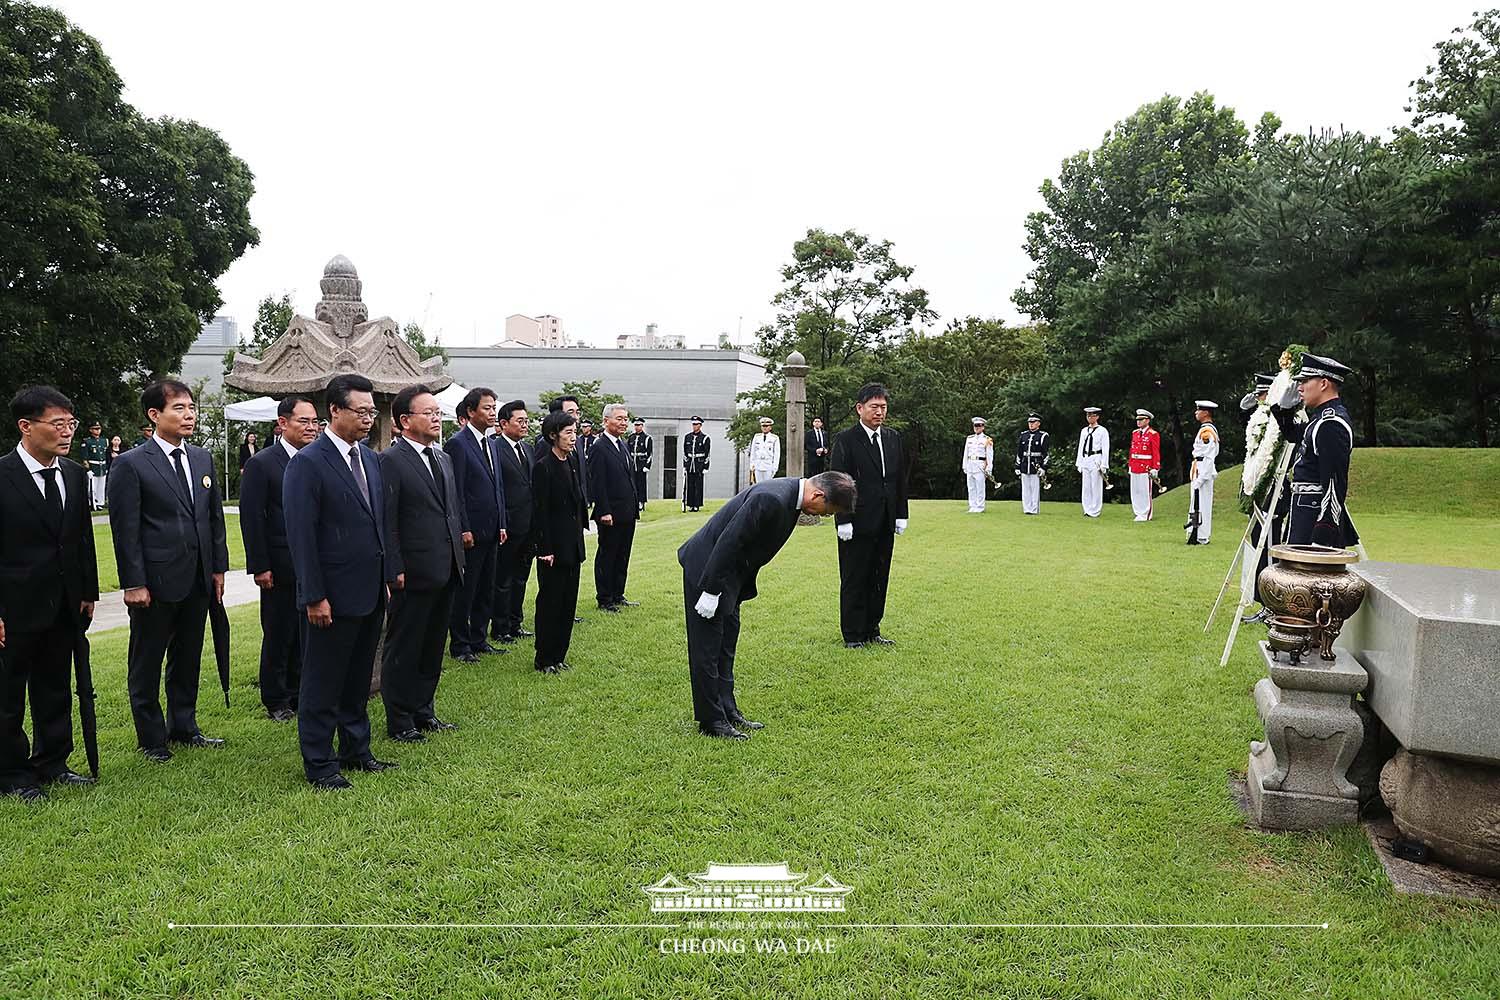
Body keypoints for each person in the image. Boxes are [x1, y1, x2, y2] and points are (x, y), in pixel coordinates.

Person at [282, 373, 397, 791]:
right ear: (335, 410)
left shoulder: (369, 458)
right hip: (329, 595)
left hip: (368, 590)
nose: (369, 418)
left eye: (372, 411)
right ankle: (320, 763)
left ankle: (356, 750)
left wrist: (385, 576)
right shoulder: (308, 464)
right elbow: (301, 536)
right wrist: (314, 595)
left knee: (357, 678)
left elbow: (378, 523)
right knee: (322, 681)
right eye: (361, 411)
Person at [680, 472, 856, 739]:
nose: (824, 516)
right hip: (708, 571)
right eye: (828, 511)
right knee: (707, 650)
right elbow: (730, 541)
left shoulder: (791, 497)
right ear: (818, 495)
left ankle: (727, 709)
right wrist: (711, 590)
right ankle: (711, 721)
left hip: (729, 577)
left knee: (726, 646)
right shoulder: (771, 498)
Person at [107, 379, 228, 762]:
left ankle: (184, 726)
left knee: (188, 654)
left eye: (191, 407)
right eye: (179, 408)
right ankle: (151, 738)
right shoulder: (131, 464)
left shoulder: (201, 458)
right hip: (155, 581)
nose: (189, 415)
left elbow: (213, 519)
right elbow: (125, 530)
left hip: (197, 575)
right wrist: (134, 582)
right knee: (147, 659)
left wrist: (218, 568)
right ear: (154, 415)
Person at [0, 386, 100, 801]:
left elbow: (81, 540)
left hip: (63, 603)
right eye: (57, 424)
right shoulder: (2, 475)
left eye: (70, 423)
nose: (67, 432)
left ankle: (53, 761)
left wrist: (88, 592)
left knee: (55, 685)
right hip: (15, 606)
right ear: (26, 427)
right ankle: (12, 773)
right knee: (8, 695)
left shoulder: (74, 474)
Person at [380, 385, 467, 744]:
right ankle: (400, 719)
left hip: (445, 568)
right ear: (404, 421)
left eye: (438, 412)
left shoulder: (442, 458)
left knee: (433, 645)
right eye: (428, 413)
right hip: (412, 573)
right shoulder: (391, 461)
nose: (437, 418)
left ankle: (423, 711)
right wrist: (394, 567)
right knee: (405, 646)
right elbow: (389, 522)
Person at [240, 396, 318, 722]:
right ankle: (276, 698)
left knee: (305, 632)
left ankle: (300, 692)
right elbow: (252, 517)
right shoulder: (263, 463)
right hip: (279, 564)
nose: (311, 428)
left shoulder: (316, 460)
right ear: (282, 424)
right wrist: (261, 566)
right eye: (304, 421)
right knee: (278, 631)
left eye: (315, 421)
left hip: (310, 564)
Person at [831, 383, 908, 648]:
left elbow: (899, 479)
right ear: (859, 408)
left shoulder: (892, 438)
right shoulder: (846, 439)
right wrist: (843, 519)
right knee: (855, 576)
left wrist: (901, 513)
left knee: (879, 575)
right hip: (857, 520)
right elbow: (839, 483)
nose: (879, 412)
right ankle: (852, 634)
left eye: (883, 407)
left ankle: (872, 628)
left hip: (885, 519)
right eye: (874, 407)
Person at [443, 387, 505, 664]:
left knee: (486, 588)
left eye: (494, 407)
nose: (492, 412)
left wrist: (502, 522)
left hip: (493, 529)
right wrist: (463, 528)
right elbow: (456, 490)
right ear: (470, 412)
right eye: (487, 408)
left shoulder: (491, 442)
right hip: (471, 532)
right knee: (465, 590)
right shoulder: (458, 443)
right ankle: (460, 644)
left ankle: (479, 638)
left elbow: (497, 487)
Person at [1277, 354, 1359, 548]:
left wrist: (1324, 534)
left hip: (1314, 521)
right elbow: (1293, 435)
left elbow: (1333, 483)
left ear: (1323, 383)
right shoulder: (1320, 419)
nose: (1299, 387)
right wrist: (1284, 411)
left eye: (1305, 381)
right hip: (1305, 515)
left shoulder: (1330, 423)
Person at [532, 410, 587, 674]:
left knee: (568, 603)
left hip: (572, 545)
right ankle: (544, 657)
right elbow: (540, 511)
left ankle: (559, 655)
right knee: (550, 603)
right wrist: (545, 548)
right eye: (568, 433)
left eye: (575, 432)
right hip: (552, 548)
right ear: (553, 436)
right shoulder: (543, 466)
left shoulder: (571, 461)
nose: (573, 438)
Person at [490, 400, 536, 645]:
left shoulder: (527, 449)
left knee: (521, 577)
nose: (525, 425)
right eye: (520, 421)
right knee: (503, 579)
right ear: (504, 423)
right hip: (508, 526)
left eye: (527, 421)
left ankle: (515, 622)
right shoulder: (495, 449)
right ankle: (500, 627)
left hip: (528, 525)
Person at [588, 402, 640, 612]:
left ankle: (618, 594)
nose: (623, 422)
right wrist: (604, 510)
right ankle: (605, 598)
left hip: (627, 511)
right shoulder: (599, 447)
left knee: (623, 554)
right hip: (611, 513)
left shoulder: (623, 444)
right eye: (619, 418)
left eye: (625, 419)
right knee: (608, 555)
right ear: (606, 421)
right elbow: (597, 483)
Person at [1186, 401, 1220, 544]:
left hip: (1203, 469)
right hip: (1198, 468)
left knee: (1202, 504)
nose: (1196, 412)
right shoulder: (1204, 429)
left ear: (1206, 413)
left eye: (1199, 410)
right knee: (1197, 503)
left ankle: (1201, 535)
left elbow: (1208, 456)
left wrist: (1202, 477)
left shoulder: (1207, 432)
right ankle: (1196, 531)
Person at [1127, 409, 1161, 522]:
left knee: (1145, 490)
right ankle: (1138, 512)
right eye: (1137, 419)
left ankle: (1146, 513)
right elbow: (1132, 450)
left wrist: (1155, 467)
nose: (1138, 422)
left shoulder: (1153, 434)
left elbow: (1155, 452)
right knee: (1135, 490)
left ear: (1147, 420)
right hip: (1135, 465)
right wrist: (1130, 464)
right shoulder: (1135, 433)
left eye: (1141, 419)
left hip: (1146, 466)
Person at [1075, 406, 1109, 518]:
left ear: (1097, 417)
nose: (1089, 418)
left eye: (1092, 415)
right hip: (1086, 458)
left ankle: (1095, 510)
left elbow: (1105, 448)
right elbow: (1080, 447)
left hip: (1096, 457)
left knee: (1095, 485)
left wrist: (1104, 464)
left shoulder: (1102, 430)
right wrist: (1079, 462)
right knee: (1086, 486)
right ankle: (1087, 508)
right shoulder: (1084, 431)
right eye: (1088, 416)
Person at [1015, 413, 1050, 515]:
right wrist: (1017, 466)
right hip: (1025, 464)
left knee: (1034, 489)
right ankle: (1027, 508)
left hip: (1036, 464)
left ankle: (1034, 509)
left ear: (1038, 423)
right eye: (1029, 422)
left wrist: (1043, 467)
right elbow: (1019, 452)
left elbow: (1046, 454)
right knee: (1025, 488)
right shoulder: (1023, 435)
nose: (1031, 424)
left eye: (1033, 422)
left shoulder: (1043, 435)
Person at [961, 417, 993, 513]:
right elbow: (966, 453)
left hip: (980, 465)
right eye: (975, 425)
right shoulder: (969, 438)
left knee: (980, 487)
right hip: (970, 464)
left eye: (979, 425)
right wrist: (964, 465)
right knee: (971, 487)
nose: (977, 427)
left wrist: (989, 468)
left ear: (983, 427)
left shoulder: (987, 439)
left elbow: (990, 455)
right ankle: (972, 506)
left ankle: (980, 506)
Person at [682, 417, 710, 512]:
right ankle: (690, 504)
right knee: (690, 485)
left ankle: (697, 505)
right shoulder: (688, 437)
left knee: (698, 485)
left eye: (696, 424)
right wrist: (685, 465)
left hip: (699, 464)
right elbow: (685, 452)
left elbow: (707, 454)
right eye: (693, 424)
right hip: (690, 464)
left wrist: (705, 466)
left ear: (700, 425)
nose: (694, 426)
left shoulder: (705, 438)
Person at [79, 421, 108, 510]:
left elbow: (105, 454)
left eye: (99, 429)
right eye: (95, 429)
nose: (98, 431)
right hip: (93, 466)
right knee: (92, 487)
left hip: (102, 466)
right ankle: (92, 503)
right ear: (91, 430)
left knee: (101, 486)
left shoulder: (104, 441)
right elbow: (85, 458)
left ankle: (100, 503)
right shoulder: (87, 441)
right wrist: (88, 469)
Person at [627, 417, 653, 512]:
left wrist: (647, 466)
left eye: (639, 425)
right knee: (632, 484)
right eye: (636, 425)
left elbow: (650, 454)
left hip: (641, 463)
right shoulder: (631, 437)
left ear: (642, 426)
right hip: (633, 464)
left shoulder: (647, 438)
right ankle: (633, 502)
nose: (637, 427)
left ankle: (641, 502)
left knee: (641, 484)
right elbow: (628, 451)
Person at [747, 417, 780, 485]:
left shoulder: (774, 438)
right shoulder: (757, 437)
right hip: (758, 465)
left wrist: (774, 468)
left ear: (770, 427)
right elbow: (753, 452)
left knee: (767, 486)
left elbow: (776, 454)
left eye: (767, 426)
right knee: (758, 485)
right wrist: (752, 465)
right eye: (763, 426)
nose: (765, 428)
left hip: (768, 466)